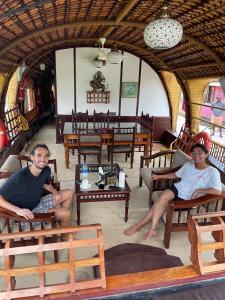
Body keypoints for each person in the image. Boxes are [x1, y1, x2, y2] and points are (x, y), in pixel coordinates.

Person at [124, 143, 222, 240]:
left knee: (158, 204)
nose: (197, 155)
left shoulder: (212, 172)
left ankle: (140, 226)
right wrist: (159, 176)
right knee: (162, 198)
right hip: (177, 189)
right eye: (194, 153)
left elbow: (218, 191)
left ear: (206, 154)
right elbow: (175, 175)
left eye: (200, 153)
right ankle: (150, 229)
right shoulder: (189, 164)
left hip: (188, 200)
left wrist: (200, 190)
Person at [0, 144, 74, 227]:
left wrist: (54, 191)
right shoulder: (20, 177)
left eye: (46, 156)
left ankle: (62, 223)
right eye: (39, 155)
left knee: (69, 192)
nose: (43, 159)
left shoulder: (46, 170)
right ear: (32, 157)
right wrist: (18, 210)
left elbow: (45, 184)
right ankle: (65, 236)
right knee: (66, 213)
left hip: (38, 202)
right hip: (27, 214)